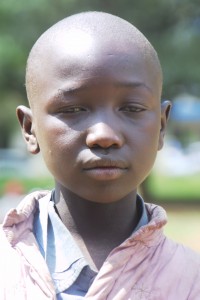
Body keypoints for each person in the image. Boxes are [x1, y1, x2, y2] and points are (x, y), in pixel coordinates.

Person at [0, 11, 200, 300]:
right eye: (73, 109)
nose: (105, 134)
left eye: (131, 108)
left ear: (161, 125)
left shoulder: (191, 281)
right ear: (30, 129)